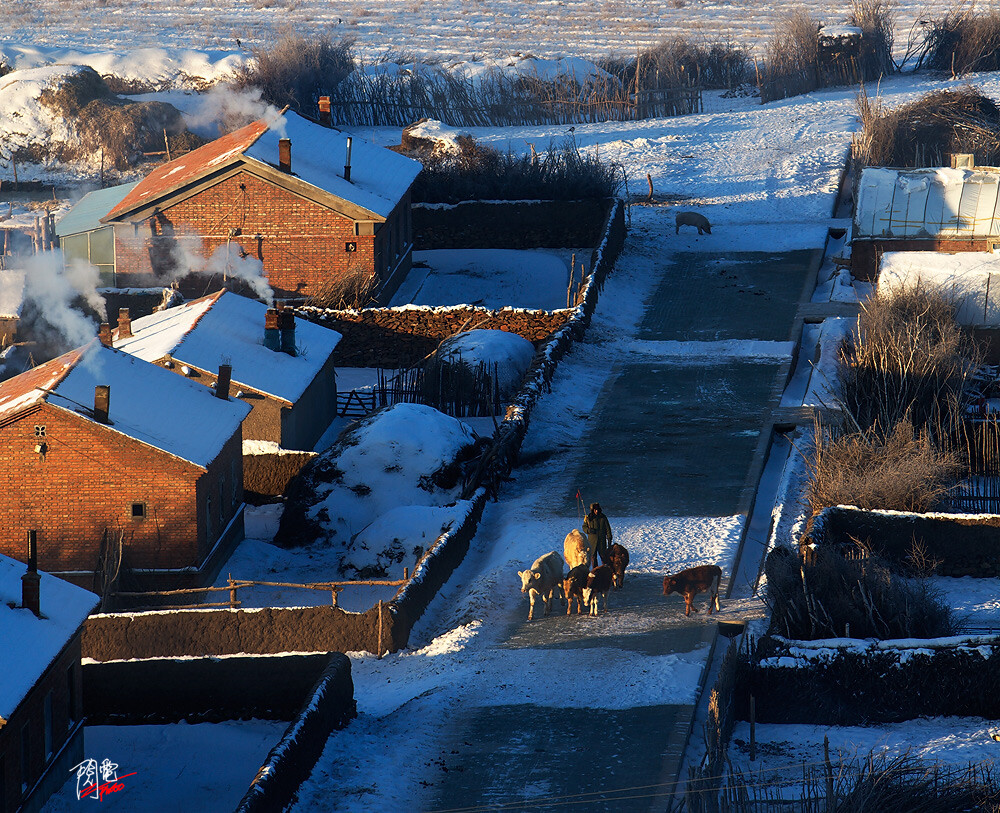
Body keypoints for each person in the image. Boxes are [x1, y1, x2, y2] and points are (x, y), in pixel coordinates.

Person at [583, 502, 613, 569]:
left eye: (598, 509)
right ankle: (595, 570)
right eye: (595, 510)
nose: (597, 511)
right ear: (592, 510)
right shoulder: (588, 518)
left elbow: (608, 528)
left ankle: (606, 570)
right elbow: (584, 527)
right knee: (593, 557)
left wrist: (609, 537)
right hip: (592, 541)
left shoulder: (603, 517)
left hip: (601, 541)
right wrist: (588, 530)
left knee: (603, 556)